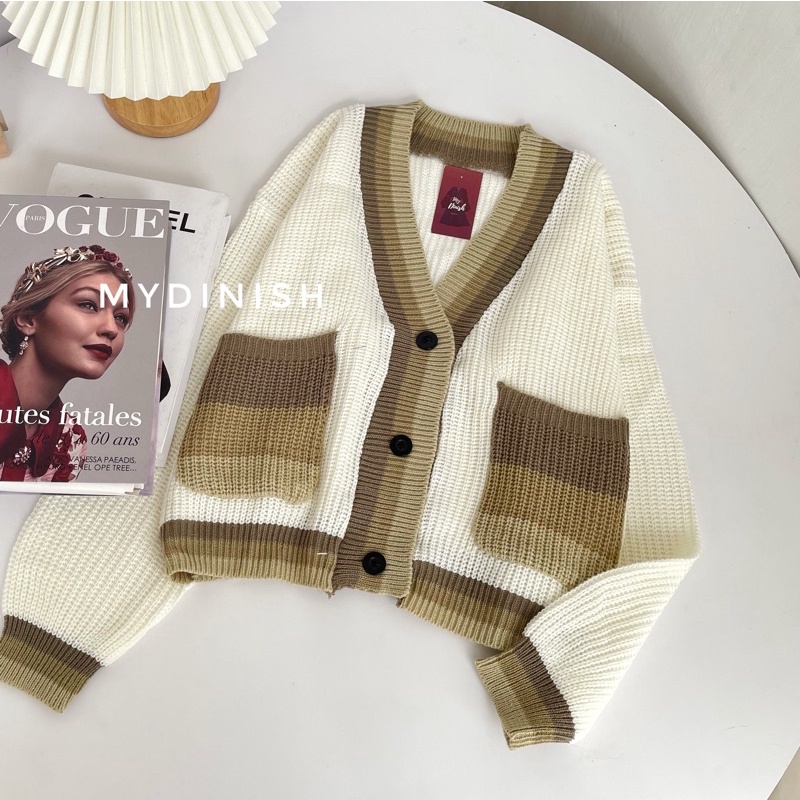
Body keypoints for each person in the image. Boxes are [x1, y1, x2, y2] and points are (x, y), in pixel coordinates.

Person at [0, 245, 135, 482]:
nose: (111, 329)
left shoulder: (70, 442)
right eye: (88, 305)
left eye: (120, 317)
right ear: (28, 319)